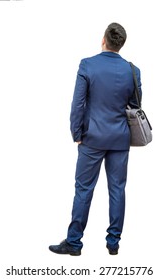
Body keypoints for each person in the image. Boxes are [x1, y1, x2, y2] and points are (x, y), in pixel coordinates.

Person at [49, 22, 142, 256]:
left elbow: (77, 103)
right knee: (118, 190)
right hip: (120, 139)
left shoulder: (88, 65)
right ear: (121, 44)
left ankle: (74, 243)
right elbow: (136, 105)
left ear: (103, 39)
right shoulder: (133, 70)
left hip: (91, 138)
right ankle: (113, 244)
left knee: (83, 189)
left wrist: (76, 134)